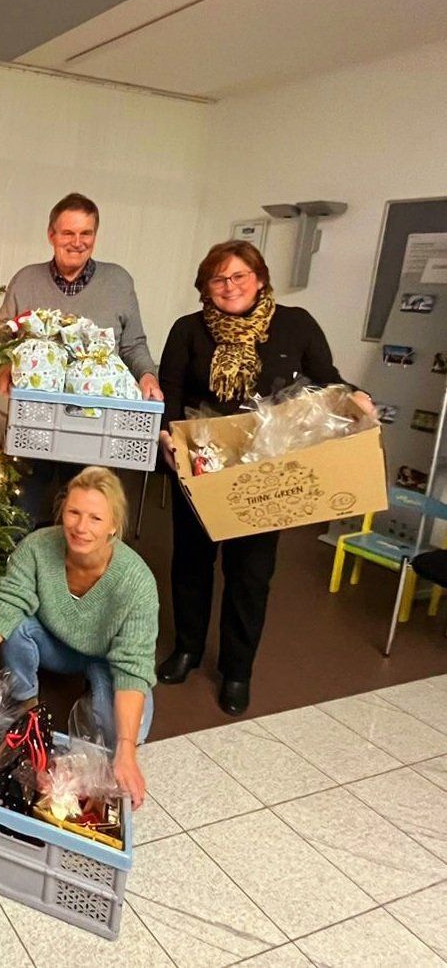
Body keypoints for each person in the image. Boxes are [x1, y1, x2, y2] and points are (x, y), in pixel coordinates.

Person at [157, 240, 376, 716]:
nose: (229, 286)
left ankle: (237, 670)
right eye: (218, 278)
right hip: (201, 465)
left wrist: (356, 398)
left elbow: (325, 380)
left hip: (268, 472)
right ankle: (188, 649)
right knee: (191, 563)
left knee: (251, 574)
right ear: (205, 287)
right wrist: (165, 436)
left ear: (259, 278)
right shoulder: (188, 330)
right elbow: (171, 391)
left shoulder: (295, 324)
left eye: (239, 276)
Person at [0, 466, 158, 809]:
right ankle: (25, 706)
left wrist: (127, 749)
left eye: (95, 519)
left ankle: (99, 711)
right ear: (62, 511)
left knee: (122, 740)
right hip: (53, 641)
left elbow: (134, 665)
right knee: (16, 623)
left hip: (108, 658)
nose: (81, 527)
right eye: (73, 513)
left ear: (114, 525)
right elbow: (2, 611)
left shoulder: (137, 582)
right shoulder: (37, 547)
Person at [0, 193, 163, 525]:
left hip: (95, 426)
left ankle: (81, 576)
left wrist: (147, 376)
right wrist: (3, 365)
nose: (77, 242)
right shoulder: (26, 280)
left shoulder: (118, 281)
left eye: (85, 233)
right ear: (51, 235)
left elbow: (133, 344)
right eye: (68, 233)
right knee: (22, 513)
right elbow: (0, 337)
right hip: (36, 420)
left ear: (95, 236)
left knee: (86, 518)